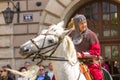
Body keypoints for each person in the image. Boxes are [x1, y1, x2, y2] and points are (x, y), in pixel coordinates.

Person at [70, 14, 104, 80]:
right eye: (81, 23)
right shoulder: (71, 34)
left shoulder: (91, 35)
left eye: (85, 22)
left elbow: (96, 52)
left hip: (89, 63)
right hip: (74, 62)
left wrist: (82, 55)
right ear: (77, 25)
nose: (84, 25)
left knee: (97, 75)